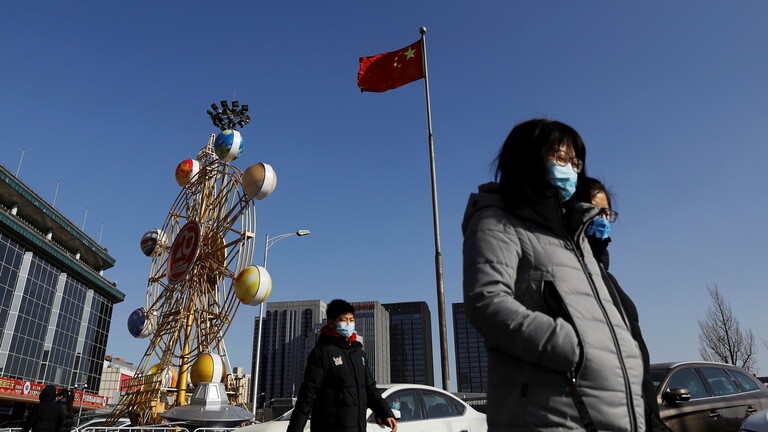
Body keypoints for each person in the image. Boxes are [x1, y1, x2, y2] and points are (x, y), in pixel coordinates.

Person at [462, 119, 645, 431]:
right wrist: (575, 347)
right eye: (560, 158)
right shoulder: (496, 220)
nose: (570, 168)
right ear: (527, 159)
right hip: (550, 415)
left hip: (611, 412)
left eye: (575, 162)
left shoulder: (575, 235)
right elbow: (487, 302)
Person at [575, 177, 672, 432]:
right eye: (596, 212)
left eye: (608, 214)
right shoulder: (569, 276)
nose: (603, 220)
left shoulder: (607, 279)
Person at [287, 299, 397, 432]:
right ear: (331, 323)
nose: (349, 324)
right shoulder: (322, 352)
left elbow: (370, 389)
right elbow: (307, 395)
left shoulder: (358, 353)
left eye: (351, 320)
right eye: (344, 320)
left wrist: (385, 413)